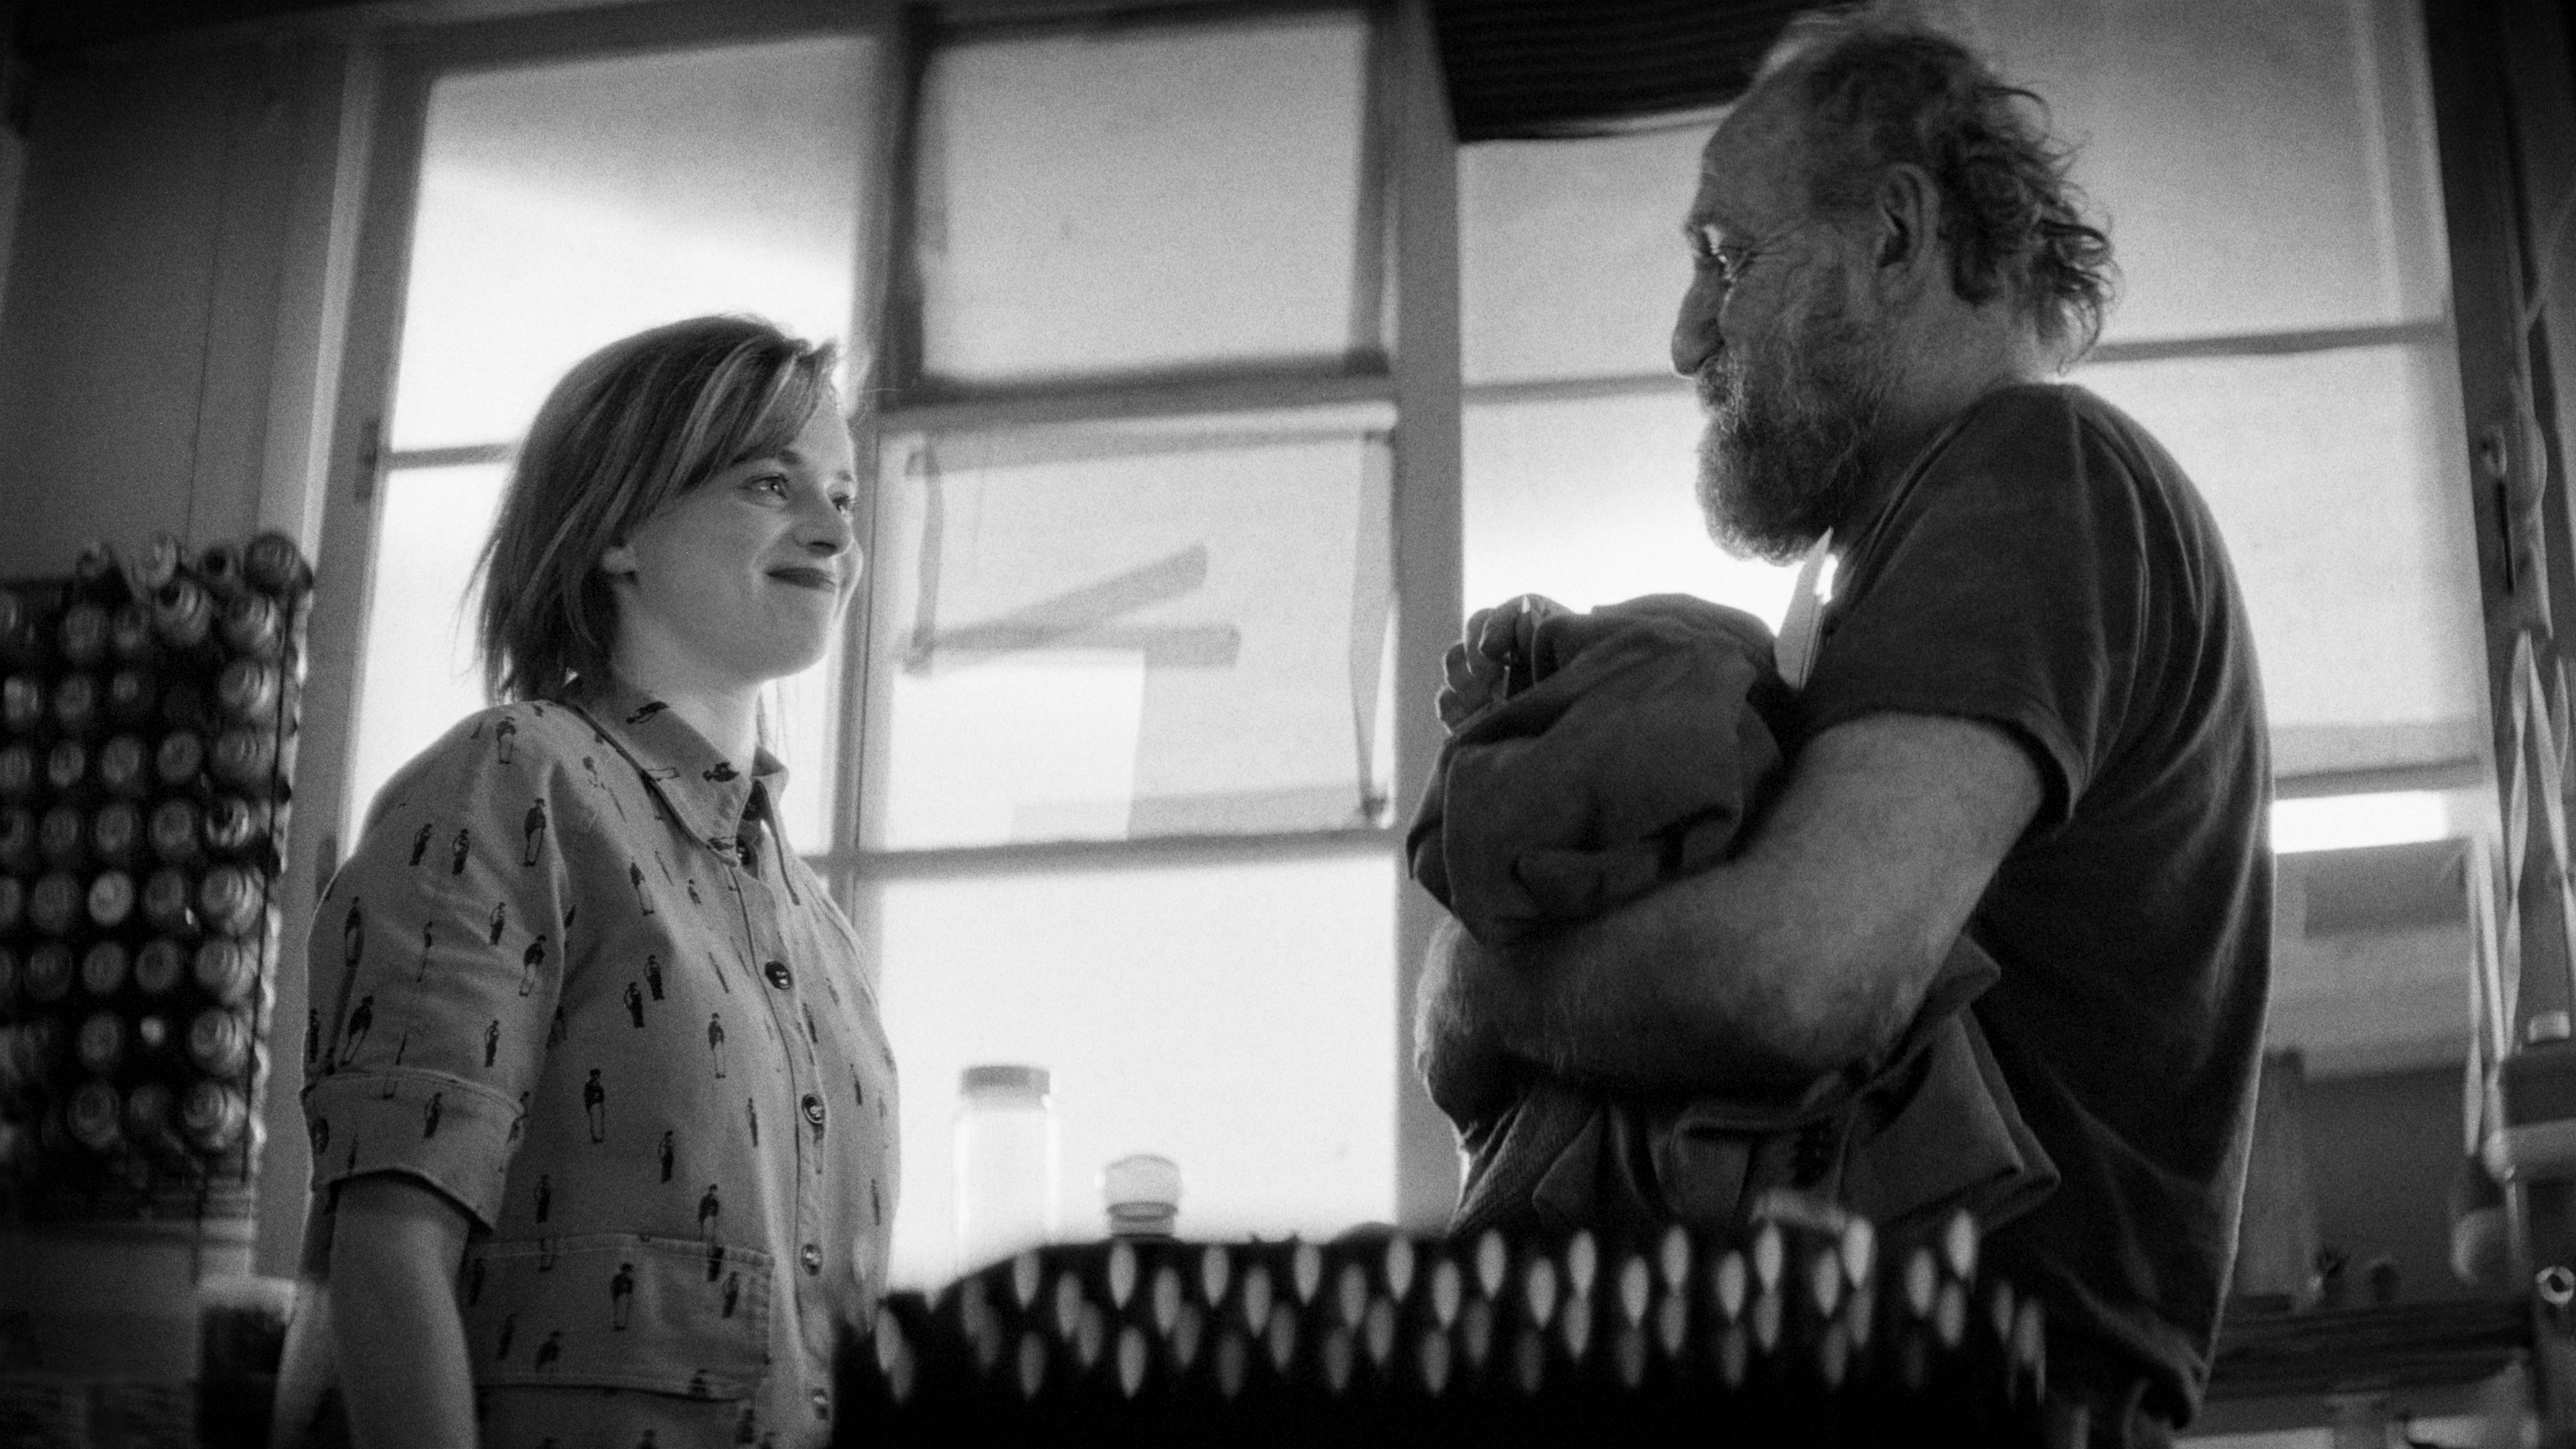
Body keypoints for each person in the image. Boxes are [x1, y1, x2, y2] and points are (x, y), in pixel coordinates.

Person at [1416, 10, 2268, 1445]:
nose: (1686, 337)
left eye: (1725, 258)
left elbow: (1797, 979)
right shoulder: (1876, 580)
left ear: (1892, 235)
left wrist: (1486, 986)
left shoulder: (2038, 466)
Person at [273, 316, 898, 1449]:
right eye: (771, 484)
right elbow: (391, 1249)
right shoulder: (511, 788)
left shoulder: (824, 937)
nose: (834, 531)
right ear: (619, 531)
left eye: (845, 496)